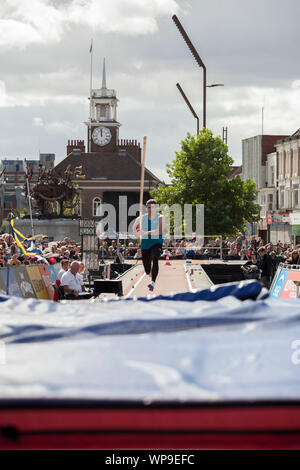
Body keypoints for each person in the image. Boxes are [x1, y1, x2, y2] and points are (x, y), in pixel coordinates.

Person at [133, 199, 165, 292]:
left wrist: (145, 232)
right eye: (149, 207)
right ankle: (149, 271)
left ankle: (152, 282)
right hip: (145, 245)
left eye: (153, 207)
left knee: (155, 258)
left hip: (156, 243)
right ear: (146, 208)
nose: (150, 209)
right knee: (147, 270)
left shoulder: (161, 217)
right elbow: (135, 230)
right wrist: (138, 233)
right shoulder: (141, 218)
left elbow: (159, 231)